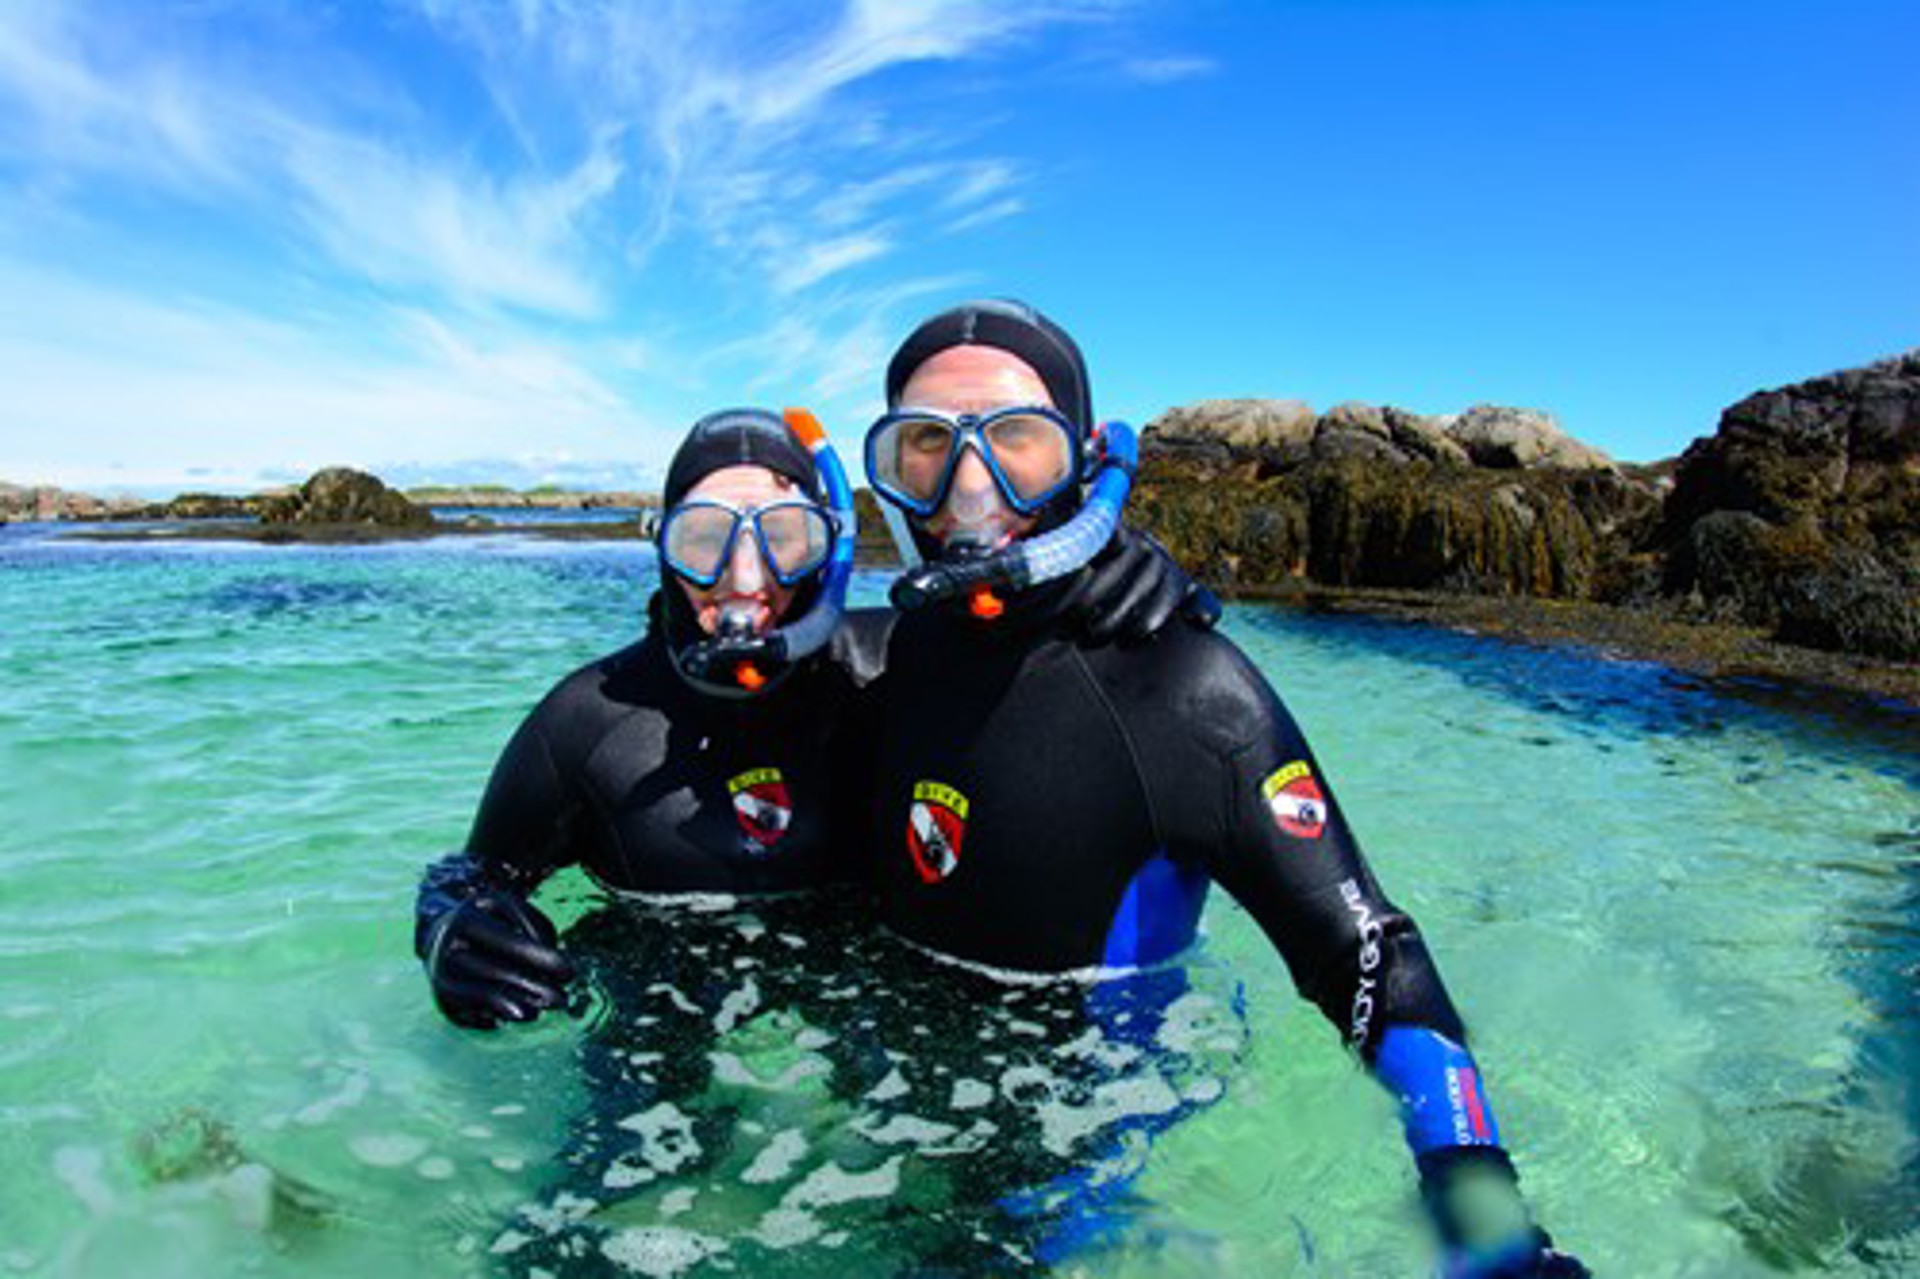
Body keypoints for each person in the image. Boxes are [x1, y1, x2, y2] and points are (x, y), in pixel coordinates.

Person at [859, 299, 1590, 1278]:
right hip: (888, 1103)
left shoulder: (1187, 689)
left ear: (1081, 460)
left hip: (1082, 1132)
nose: (970, 487)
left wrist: (1487, 1221)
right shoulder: (894, 654)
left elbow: (1369, 957)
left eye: (1016, 443)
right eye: (925, 447)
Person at [414, 405, 1202, 1029]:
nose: (744, 576)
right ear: (663, 547)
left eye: (784, 538)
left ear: (825, 552)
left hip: (870, 1028)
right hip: (658, 1031)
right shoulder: (587, 717)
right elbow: (472, 873)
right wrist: (450, 927)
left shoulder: (891, 668)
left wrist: (1110, 577)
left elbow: (1031, 673)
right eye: (705, 538)